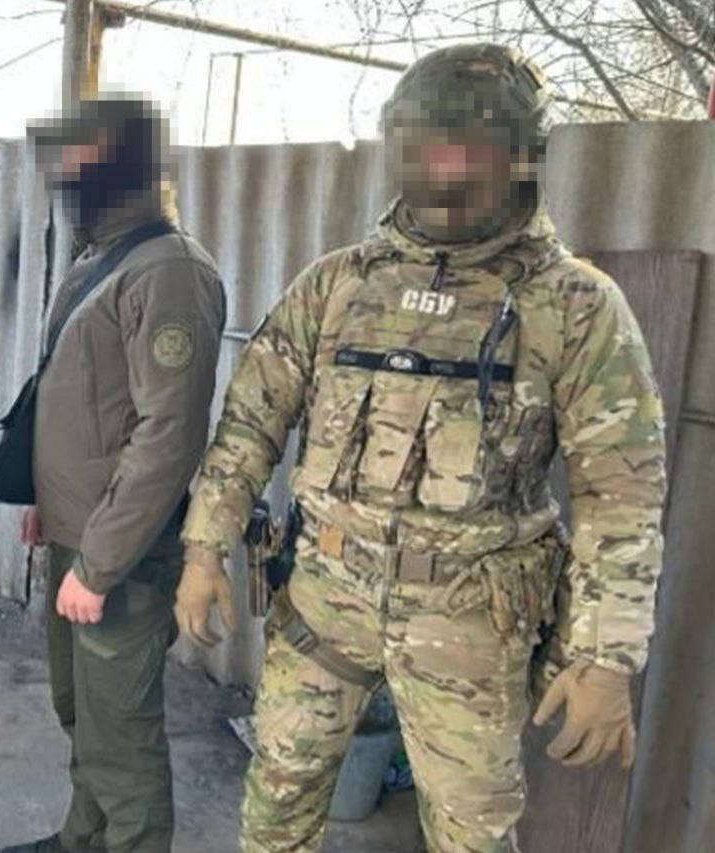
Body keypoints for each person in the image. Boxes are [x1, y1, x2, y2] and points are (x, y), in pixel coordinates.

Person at [176, 43, 667, 852]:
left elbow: (623, 494)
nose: (445, 169)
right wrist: (204, 549)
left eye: (469, 149)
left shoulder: (575, 306)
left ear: (519, 158)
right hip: (323, 600)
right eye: (427, 146)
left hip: (470, 624)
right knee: (275, 808)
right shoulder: (338, 283)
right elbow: (249, 422)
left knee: (472, 834)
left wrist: (606, 657)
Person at [1, 97, 227, 853]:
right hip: (77, 534)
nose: (67, 170)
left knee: (122, 735)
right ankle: (83, 838)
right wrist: (46, 500)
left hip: (120, 555)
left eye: (84, 153)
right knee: (82, 712)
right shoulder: (100, 256)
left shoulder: (170, 270)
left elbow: (169, 434)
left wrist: (98, 565)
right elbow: (81, 401)